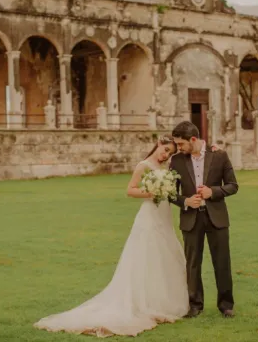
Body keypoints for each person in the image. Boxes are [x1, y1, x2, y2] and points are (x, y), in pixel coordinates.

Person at [34, 135, 189, 337]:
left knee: (165, 255)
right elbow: (130, 190)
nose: (166, 154)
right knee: (147, 255)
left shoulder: (167, 168)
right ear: (159, 144)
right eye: (165, 149)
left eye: (170, 152)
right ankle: (143, 302)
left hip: (164, 215)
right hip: (149, 214)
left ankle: (164, 300)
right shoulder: (143, 166)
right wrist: (151, 192)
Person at [169, 121, 238, 318]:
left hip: (217, 217)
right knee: (192, 264)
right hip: (191, 218)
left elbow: (233, 185)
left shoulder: (220, 155)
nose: (178, 148)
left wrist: (212, 191)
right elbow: (170, 193)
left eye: (181, 144)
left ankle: (226, 305)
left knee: (222, 262)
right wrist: (186, 201)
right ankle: (195, 305)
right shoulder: (177, 161)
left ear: (193, 139)